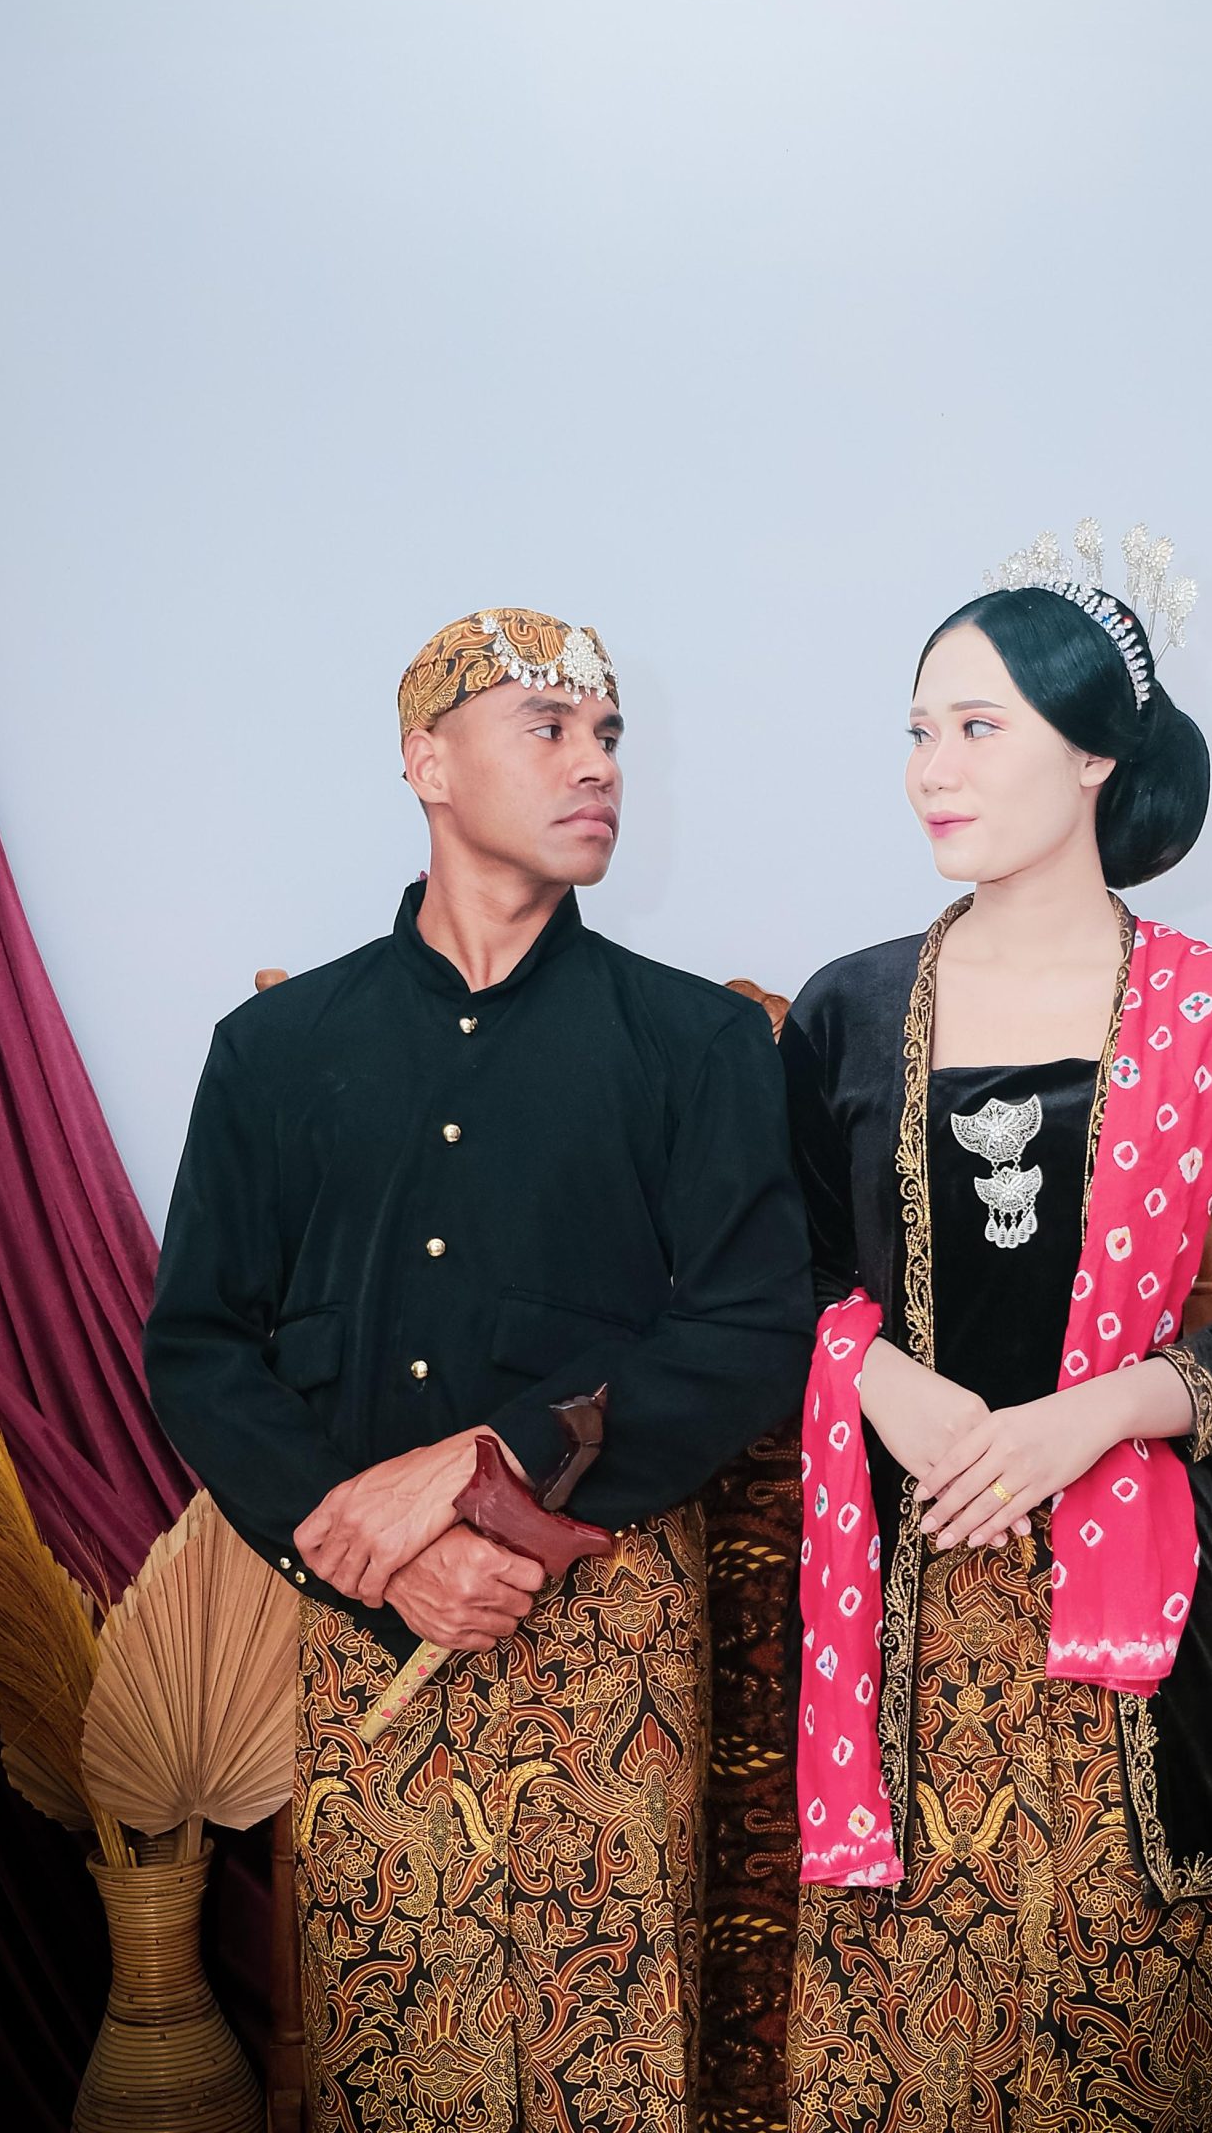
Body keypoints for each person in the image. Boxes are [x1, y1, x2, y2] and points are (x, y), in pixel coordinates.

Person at [145, 603, 816, 2133]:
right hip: (365, 1627)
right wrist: (369, 1550)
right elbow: (199, 1345)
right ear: (426, 762)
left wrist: (482, 1463)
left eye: (611, 736)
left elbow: (749, 1330)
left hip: (601, 1622)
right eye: (549, 727)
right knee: (399, 2053)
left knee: (610, 2057)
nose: (598, 765)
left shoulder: (696, 1045)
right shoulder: (275, 1051)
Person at [779, 532, 1212, 2132]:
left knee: (1132, 2035)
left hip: (1139, 1613)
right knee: (904, 2052)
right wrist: (874, 1375)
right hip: (896, 1596)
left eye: (977, 727)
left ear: (1095, 755)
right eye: (916, 729)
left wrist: (1095, 1411)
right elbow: (772, 1283)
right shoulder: (843, 1010)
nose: (930, 770)